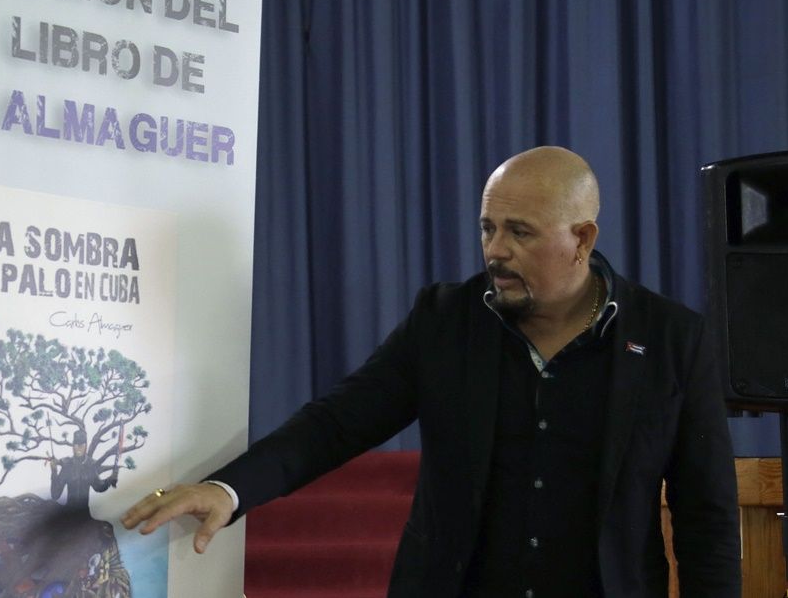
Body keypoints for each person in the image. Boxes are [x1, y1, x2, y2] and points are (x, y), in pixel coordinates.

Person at [121, 147, 741, 597]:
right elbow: (335, 424)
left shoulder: (670, 340)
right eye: (488, 227)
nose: (495, 249)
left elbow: (706, 515)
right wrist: (229, 491)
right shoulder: (445, 321)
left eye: (520, 233)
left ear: (581, 239)